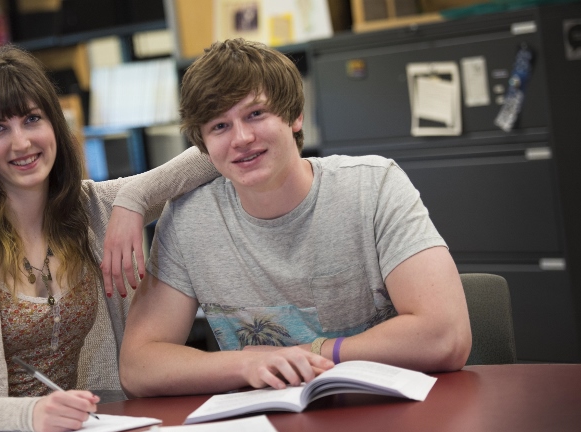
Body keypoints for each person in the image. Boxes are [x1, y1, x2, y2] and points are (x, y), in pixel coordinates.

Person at [119, 38, 472, 398]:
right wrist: (247, 364)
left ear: (294, 116)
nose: (241, 138)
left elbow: (447, 336)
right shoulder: (188, 220)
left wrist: (310, 354)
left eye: (256, 114)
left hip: (384, 416)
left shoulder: (374, 185)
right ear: (204, 145)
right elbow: (137, 367)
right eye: (219, 126)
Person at [0, 45, 218, 432]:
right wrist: (31, 414)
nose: (21, 142)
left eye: (32, 119)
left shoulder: (92, 207)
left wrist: (134, 199)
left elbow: (212, 155)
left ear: (55, 125)